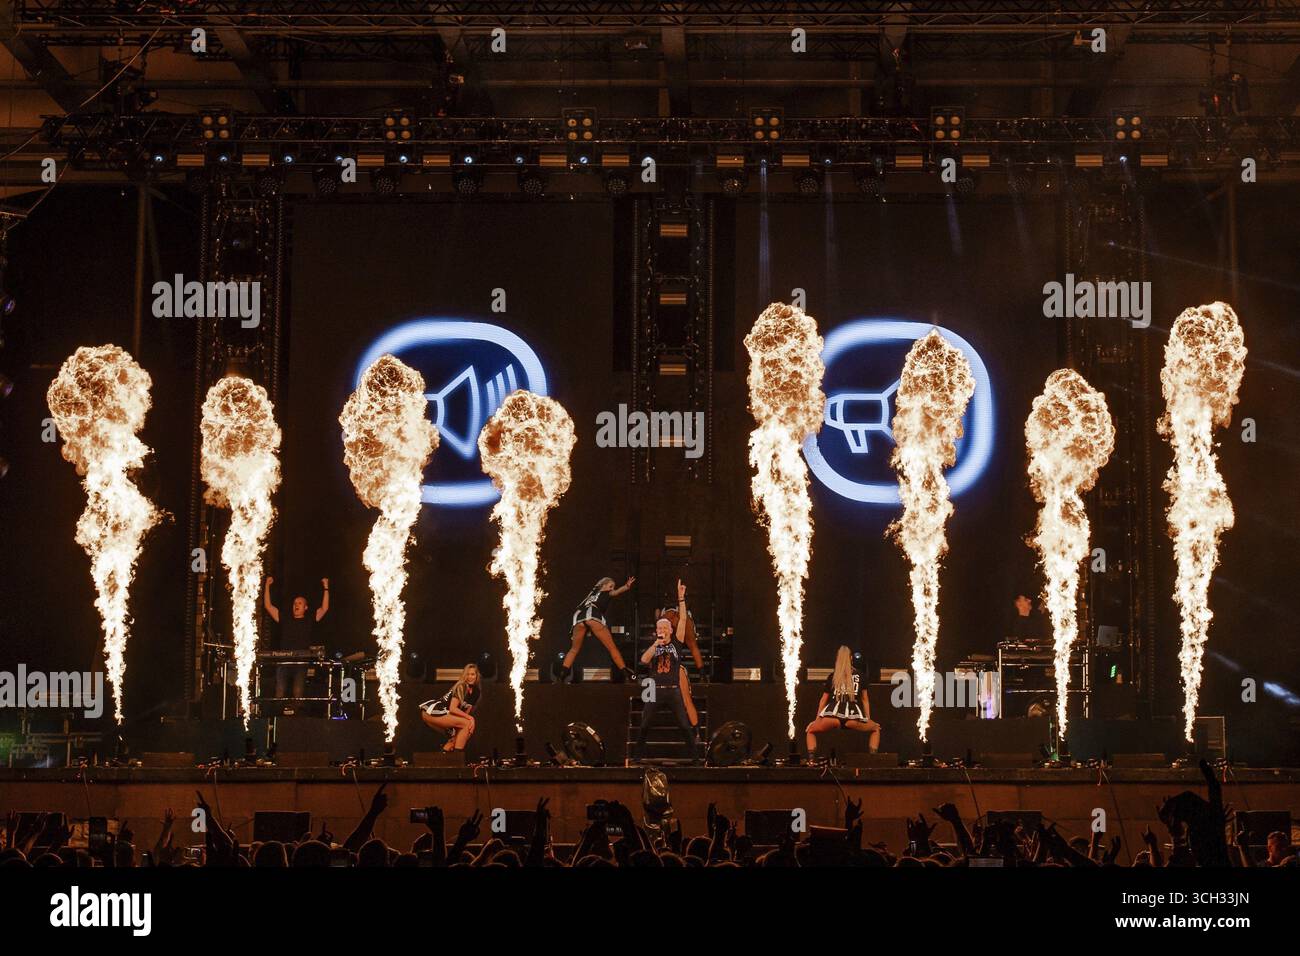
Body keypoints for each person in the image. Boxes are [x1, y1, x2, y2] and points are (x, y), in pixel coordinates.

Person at [632, 579, 699, 764]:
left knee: (684, 724)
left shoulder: (677, 641)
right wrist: (656, 643)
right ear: (656, 630)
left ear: (670, 629)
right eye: (659, 627)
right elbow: (644, 660)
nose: (662, 629)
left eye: (665, 627)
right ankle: (636, 757)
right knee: (644, 724)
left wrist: (681, 599)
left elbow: (683, 619)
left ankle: (695, 758)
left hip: (673, 688)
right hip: (653, 687)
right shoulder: (654, 645)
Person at [804, 645, 880, 765]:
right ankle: (872, 761)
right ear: (851, 658)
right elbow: (865, 699)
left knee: (810, 730)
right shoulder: (860, 676)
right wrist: (867, 719)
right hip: (852, 717)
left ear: (837, 659)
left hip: (833, 716)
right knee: (876, 728)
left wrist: (816, 720)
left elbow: (823, 700)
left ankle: (811, 761)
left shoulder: (833, 676)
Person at [263, 576, 330, 710]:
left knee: (298, 693)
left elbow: (324, 608)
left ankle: (297, 722)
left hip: (301, 661)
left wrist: (326, 587)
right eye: (294, 603)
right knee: (279, 692)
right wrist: (267, 586)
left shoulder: (309, 619)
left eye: (299, 603)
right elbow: (268, 606)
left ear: (305, 607)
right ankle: (277, 719)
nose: (296, 605)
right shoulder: (285, 618)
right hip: (284, 660)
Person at [560, 575, 636, 682]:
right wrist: (626, 586)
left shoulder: (591, 594)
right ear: (604, 585)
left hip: (579, 617)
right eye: (610, 586)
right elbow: (616, 592)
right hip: (592, 615)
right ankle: (626, 674)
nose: (612, 589)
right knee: (612, 647)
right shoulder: (605, 592)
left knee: (574, 649)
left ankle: (562, 675)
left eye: (613, 587)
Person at [419, 663, 481, 752]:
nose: (470, 677)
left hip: (446, 714)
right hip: (433, 711)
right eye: (467, 674)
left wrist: (464, 726)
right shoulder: (462, 686)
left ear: (476, 675)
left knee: (466, 727)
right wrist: (471, 719)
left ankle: (446, 753)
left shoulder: (476, 692)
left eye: (472, 674)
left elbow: (465, 713)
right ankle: (456, 755)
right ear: (464, 675)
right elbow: (453, 708)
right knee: (467, 723)